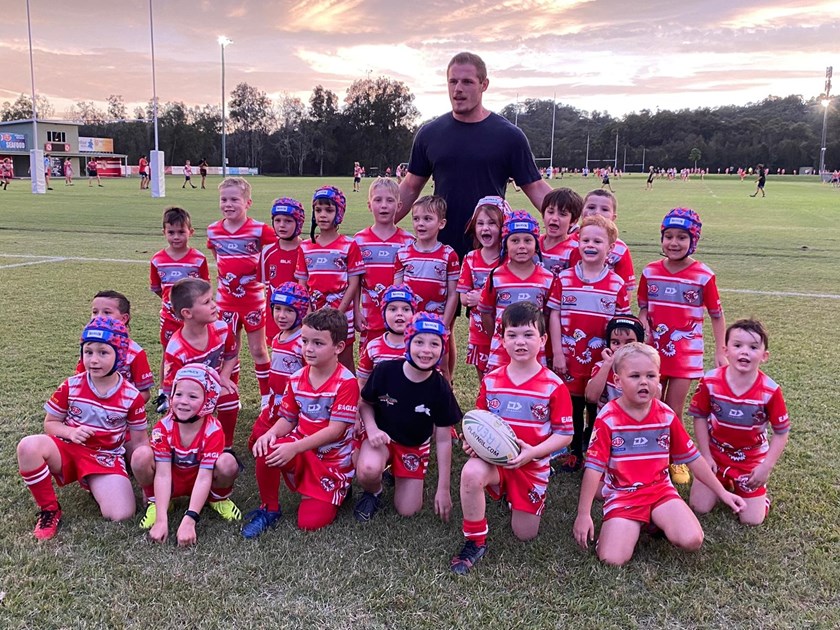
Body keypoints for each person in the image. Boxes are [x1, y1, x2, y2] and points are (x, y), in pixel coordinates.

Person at [573, 343, 745, 566]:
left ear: (659, 381)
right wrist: (583, 513)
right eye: (634, 375)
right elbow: (594, 468)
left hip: (660, 490)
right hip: (624, 494)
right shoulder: (608, 418)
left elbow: (693, 459)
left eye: (651, 375)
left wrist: (722, 493)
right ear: (618, 381)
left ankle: (653, 520)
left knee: (692, 540)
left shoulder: (666, 415)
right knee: (612, 559)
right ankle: (630, 526)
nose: (644, 382)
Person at [450, 302, 573, 575]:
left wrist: (533, 453)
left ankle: (516, 498)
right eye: (512, 335)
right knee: (470, 473)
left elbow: (565, 435)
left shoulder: (554, 385)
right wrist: (470, 442)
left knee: (524, 534)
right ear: (502, 340)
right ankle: (475, 540)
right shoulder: (491, 380)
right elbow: (478, 423)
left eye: (528, 335)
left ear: (542, 340)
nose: (520, 342)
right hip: (495, 463)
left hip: (531, 465)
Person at [397, 51, 551, 259]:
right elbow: (410, 186)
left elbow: (536, 187)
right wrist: (381, 228)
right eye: (453, 81)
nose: (458, 89)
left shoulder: (508, 136)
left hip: (490, 252)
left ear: (484, 84)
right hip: (440, 253)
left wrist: (572, 222)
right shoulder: (430, 134)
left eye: (467, 82)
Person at [17, 317, 149, 540]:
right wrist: (70, 433)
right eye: (88, 352)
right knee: (28, 446)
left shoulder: (132, 397)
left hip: (105, 457)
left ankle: (92, 480)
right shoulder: (71, 385)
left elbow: (139, 444)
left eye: (103, 353)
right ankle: (50, 510)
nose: (93, 360)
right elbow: (50, 423)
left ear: (120, 354)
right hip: (69, 449)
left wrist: (149, 487)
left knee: (122, 514)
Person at [244, 308, 359, 535]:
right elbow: (287, 419)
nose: (308, 348)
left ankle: (338, 490)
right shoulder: (296, 378)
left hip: (331, 460)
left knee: (309, 523)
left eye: (318, 343)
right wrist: (271, 434)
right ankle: (270, 508)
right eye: (305, 341)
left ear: (338, 347)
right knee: (265, 447)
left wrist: (293, 447)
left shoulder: (347, 382)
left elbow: (336, 431)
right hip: (302, 447)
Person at [637, 208, 727, 485]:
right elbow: (642, 308)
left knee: (672, 409)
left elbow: (716, 314)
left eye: (681, 237)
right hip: (653, 353)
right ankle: (649, 456)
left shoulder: (703, 275)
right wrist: (644, 329)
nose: (673, 243)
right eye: (668, 236)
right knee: (648, 405)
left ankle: (674, 460)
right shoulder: (650, 271)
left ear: (694, 240)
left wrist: (720, 350)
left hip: (685, 357)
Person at [354, 312, 461, 522]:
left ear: (442, 349)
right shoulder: (386, 371)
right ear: (408, 342)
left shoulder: (440, 387)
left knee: (408, 510)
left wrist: (443, 488)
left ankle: (397, 471)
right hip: (382, 439)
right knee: (367, 469)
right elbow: (365, 403)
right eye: (419, 342)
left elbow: (443, 438)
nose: (426, 350)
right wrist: (372, 429)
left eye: (434, 344)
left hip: (414, 445)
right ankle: (373, 491)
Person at [548, 215, 631, 472]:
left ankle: (593, 447)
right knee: (572, 403)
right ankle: (573, 452)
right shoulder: (564, 279)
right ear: (577, 243)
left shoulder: (617, 284)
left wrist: (616, 359)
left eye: (598, 240)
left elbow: (622, 326)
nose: (590, 245)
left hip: (602, 360)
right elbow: (554, 314)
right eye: (585, 240)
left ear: (611, 247)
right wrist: (559, 353)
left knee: (597, 405)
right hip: (571, 357)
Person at [688, 319, 790, 526]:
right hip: (716, 454)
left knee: (751, 520)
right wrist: (706, 456)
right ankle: (722, 484)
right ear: (726, 350)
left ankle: (758, 498)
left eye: (753, 347)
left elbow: (781, 433)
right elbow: (699, 416)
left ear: (764, 356)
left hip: (750, 459)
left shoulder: (770, 391)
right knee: (699, 507)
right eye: (737, 345)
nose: (745, 352)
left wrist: (765, 467)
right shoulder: (710, 381)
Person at [133, 364, 242, 545]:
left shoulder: (213, 430)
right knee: (140, 456)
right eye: (178, 394)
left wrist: (190, 519)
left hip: (200, 480)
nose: (183, 401)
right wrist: (161, 520)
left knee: (228, 463)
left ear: (208, 400)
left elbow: (204, 476)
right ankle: (157, 503)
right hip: (173, 480)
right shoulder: (163, 427)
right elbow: (162, 473)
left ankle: (217, 498)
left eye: (192, 396)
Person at [206, 177, 275, 407]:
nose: (228, 204)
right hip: (225, 303)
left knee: (258, 349)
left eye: (235, 199)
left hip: (254, 301)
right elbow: (219, 259)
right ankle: (229, 393)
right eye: (224, 199)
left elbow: (274, 254)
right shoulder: (214, 230)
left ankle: (267, 396)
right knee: (229, 351)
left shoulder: (260, 230)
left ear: (248, 203)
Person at [163, 278, 240, 449]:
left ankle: (225, 447)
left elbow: (231, 355)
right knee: (184, 416)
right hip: (189, 391)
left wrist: (223, 376)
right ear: (187, 313)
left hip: (214, 383)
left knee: (230, 397)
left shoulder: (222, 329)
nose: (214, 305)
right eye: (206, 302)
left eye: (212, 299)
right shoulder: (176, 349)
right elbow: (172, 387)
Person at [295, 185, 364, 373]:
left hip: (343, 314)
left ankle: (348, 399)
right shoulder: (305, 246)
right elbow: (302, 282)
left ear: (339, 213)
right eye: (318, 210)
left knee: (344, 360)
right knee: (316, 359)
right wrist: (308, 312)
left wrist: (339, 313)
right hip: (314, 313)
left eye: (329, 210)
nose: (322, 215)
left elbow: (354, 283)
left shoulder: (349, 245)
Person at [149, 207, 210, 412]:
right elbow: (158, 288)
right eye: (171, 232)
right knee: (168, 354)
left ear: (190, 232)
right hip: (169, 317)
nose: (176, 237)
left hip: (193, 319)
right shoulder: (157, 260)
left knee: (197, 353)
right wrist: (172, 305)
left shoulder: (198, 259)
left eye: (181, 232)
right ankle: (165, 394)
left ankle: (203, 391)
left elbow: (203, 289)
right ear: (164, 232)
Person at [477, 211, 554, 373]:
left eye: (528, 240)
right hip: (501, 351)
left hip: (534, 351)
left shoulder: (548, 278)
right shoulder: (495, 276)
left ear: (536, 245)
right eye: (514, 240)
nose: (521, 246)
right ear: (505, 244)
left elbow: (548, 315)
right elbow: (486, 312)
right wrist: (500, 337)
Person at [394, 195, 460, 381]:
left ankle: (446, 405)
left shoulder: (449, 255)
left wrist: (444, 325)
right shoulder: (403, 253)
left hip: (437, 324)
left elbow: (453, 293)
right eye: (416, 219)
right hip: (410, 324)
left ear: (442, 223)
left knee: (441, 369)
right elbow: (396, 293)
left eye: (427, 219)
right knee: (408, 366)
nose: (420, 224)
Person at [353, 177, 415, 350]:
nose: (384, 205)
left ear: (399, 206)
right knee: (371, 361)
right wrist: (356, 312)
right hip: (370, 319)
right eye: (378, 200)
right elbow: (356, 281)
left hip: (401, 320)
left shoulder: (409, 241)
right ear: (369, 205)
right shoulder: (358, 240)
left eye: (390, 200)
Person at [247, 282, 309, 449]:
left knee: (278, 445)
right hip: (276, 401)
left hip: (295, 405)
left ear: (301, 311)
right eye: (278, 308)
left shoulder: (303, 342)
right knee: (256, 439)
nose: (281, 315)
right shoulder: (277, 338)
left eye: (289, 310)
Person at [457, 196, 506, 378]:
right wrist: (481, 298)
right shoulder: (470, 258)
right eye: (480, 223)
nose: (485, 228)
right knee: (484, 381)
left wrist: (481, 298)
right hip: (479, 334)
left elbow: (509, 294)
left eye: (492, 223)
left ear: (502, 227)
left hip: (504, 335)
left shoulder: (508, 260)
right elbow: (464, 298)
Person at [259, 197, 304, 344]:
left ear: (299, 223)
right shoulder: (267, 252)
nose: (282, 225)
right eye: (277, 220)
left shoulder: (306, 250)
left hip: (301, 315)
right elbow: (264, 285)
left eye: (288, 221)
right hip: (277, 315)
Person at [356, 284, 417, 388]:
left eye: (406, 309)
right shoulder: (373, 347)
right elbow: (362, 382)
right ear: (383, 313)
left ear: (414, 314)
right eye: (393, 309)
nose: (399, 314)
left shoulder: (419, 347)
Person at [574, 189, 636, 292]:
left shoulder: (620, 249)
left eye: (605, 209)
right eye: (591, 207)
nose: (597, 212)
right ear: (581, 212)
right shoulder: (569, 242)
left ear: (613, 217)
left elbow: (625, 289)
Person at [585, 315, 647, 410]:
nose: (622, 347)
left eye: (629, 342)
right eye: (616, 343)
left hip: (636, 420)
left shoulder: (647, 367)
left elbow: (656, 398)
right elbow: (591, 397)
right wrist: (607, 364)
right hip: (608, 420)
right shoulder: (602, 366)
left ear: (640, 344)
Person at [538, 188, 583, 277]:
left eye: (562, 214)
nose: (554, 218)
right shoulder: (533, 243)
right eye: (550, 212)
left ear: (573, 221)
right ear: (543, 215)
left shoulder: (575, 249)